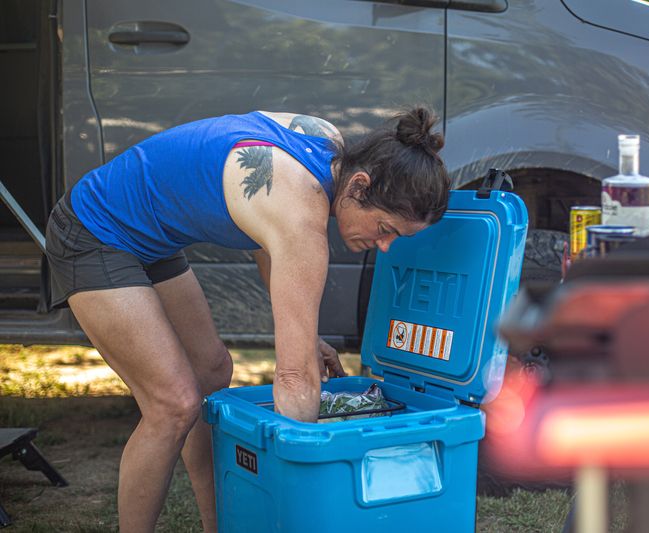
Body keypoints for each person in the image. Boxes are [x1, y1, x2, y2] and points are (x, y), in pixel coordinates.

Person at [44, 107, 450, 532]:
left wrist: (305, 338)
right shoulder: (301, 214)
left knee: (214, 369)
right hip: (94, 230)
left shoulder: (326, 146)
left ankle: (215, 524)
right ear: (360, 185)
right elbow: (294, 380)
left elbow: (266, 237)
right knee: (173, 405)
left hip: (152, 236)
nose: (383, 246)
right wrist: (304, 481)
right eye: (385, 227)